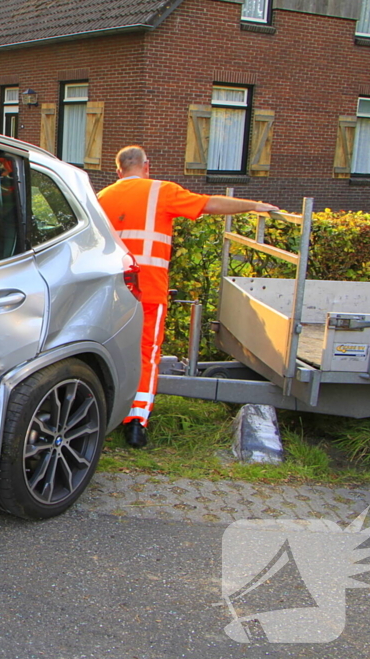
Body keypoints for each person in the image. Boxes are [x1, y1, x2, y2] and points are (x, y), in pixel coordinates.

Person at [97, 146, 279, 448]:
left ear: (118, 170)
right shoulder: (162, 191)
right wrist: (253, 205)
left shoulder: (102, 197)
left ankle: (104, 414)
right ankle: (136, 423)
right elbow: (210, 204)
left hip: (110, 292)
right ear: (147, 166)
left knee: (109, 351)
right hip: (149, 290)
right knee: (147, 353)